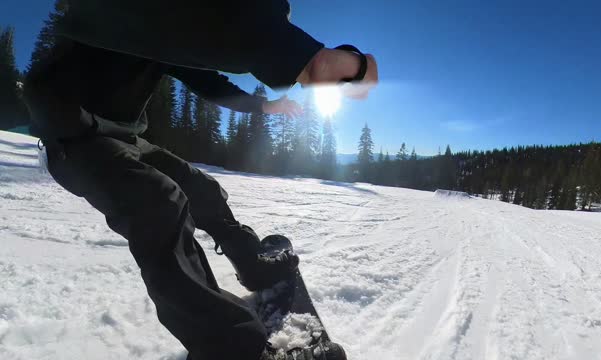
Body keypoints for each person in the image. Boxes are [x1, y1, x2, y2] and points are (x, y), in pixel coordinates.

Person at [23, 0, 378, 359]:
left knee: (202, 190)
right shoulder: (134, 14)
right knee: (159, 203)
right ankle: (231, 346)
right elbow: (203, 22)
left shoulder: (164, 39)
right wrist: (312, 58)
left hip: (124, 136)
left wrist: (263, 106)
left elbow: (208, 81)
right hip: (71, 136)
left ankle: (253, 265)